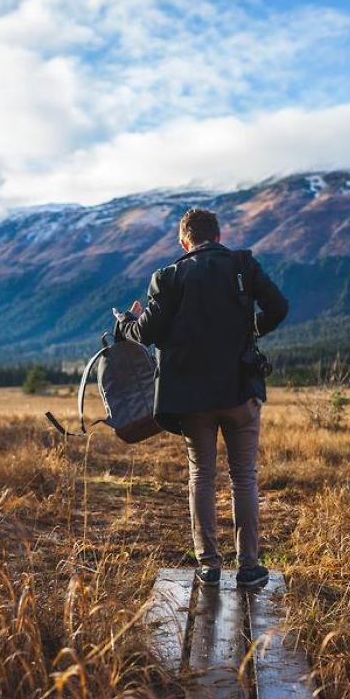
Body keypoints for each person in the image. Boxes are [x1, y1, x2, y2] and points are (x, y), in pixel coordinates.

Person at [113, 207, 289, 587]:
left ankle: (208, 566)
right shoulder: (243, 266)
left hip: (191, 400)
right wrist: (251, 331)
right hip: (241, 391)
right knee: (244, 478)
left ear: (184, 242)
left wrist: (124, 323)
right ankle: (249, 567)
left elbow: (144, 333)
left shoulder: (168, 277)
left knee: (201, 476)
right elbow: (279, 307)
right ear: (219, 236)